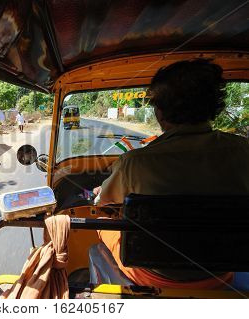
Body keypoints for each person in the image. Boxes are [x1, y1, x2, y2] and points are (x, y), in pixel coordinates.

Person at [94, 59, 249, 289]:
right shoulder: (243, 152)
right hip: (222, 272)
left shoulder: (135, 163)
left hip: (152, 275)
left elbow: (103, 201)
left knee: (101, 222)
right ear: (212, 107)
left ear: (160, 112)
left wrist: (100, 193)